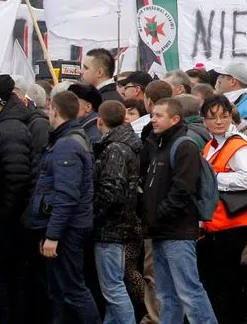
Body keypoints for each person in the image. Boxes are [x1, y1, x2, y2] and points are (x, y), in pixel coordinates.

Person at [143, 97, 218, 324]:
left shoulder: (184, 145)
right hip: (160, 231)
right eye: (153, 114)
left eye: (159, 116)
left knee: (189, 291)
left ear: (175, 119)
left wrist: (159, 214)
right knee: (167, 295)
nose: (153, 119)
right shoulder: (158, 144)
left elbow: (183, 188)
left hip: (177, 231)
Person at [28, 90, 100, 324]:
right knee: (59, 291)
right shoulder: (69, 139)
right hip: (64, 226)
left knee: (72, 289)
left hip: (67, 229)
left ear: (54, 111)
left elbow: (67, 195)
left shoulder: (67, 145)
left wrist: (53, 235)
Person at [0, 72, 45, 322]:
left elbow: (16, 178)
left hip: (10, 222)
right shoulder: (3, 125)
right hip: (10, 219)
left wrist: (2, 215)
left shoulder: (10, 129)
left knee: (5, 279)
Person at [197, 94, 247, 324]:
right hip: (218, 225)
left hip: (234, 224)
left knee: (226, 286)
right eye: (213, 117)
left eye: (224, 116)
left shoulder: (239, 144)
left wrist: (214, 179)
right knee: (219, 285)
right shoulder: (211, 145)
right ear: (203, 120)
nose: (219, 121)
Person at [94, 99, 142, 324]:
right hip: (118, 226)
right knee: (113, 287)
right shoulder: (124, 145)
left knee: (113, 289)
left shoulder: (115, 149)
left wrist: (93, 217)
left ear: (99, 121)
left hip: (110, 229)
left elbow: (111, 192)